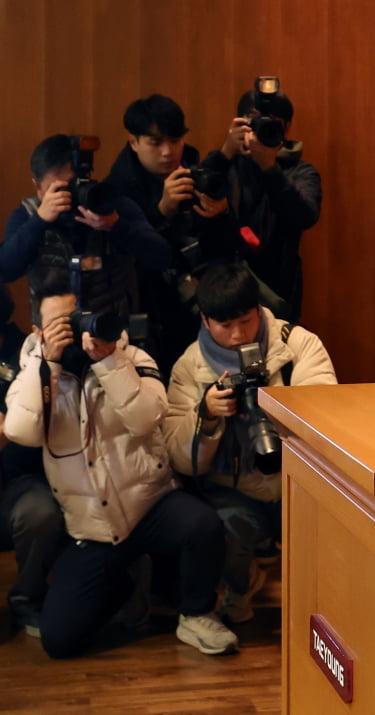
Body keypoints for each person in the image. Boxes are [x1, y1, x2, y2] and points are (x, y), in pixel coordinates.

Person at [3, 265, 237, 657]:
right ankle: (126, 583)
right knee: (59, 642)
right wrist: (48, 365)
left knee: (204, 526)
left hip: (150, 503)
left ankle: (196, 615)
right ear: (37, 331)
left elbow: (148, 418)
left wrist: (109, 363)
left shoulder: (131, 356)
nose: (72, 331)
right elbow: (21, 431)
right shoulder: (34, 373)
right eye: (59, 324)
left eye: (75, 319)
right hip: (93, 526)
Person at [165, 261, 336, 623]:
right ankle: (240, 585)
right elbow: (183, 461)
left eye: (246, 321)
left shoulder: (297, 346)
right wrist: (207, 415)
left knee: (333, 537)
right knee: (220, 529)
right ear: (205, 322)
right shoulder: (189, 367)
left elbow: (328, 423)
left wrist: (273, 404)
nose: (239, 334)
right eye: (225, 326)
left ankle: (319, 610)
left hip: (298, 483)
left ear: (259, 311)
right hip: (235, 489)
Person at [105, 94, 232, 374]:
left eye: (175, 141)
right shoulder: (116, 191)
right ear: (133, 142)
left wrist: (219, 215)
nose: (167, 152)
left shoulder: (197, 174)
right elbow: (128, 260)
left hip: (203, 312)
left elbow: (224, 250)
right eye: (155, 142)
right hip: (149, 320)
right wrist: (161, 211)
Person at [1, 134, 172, 322]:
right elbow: (5, 270)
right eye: (57, 190)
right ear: (37, 187)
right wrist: (39, 221)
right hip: (56, 333)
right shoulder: (27, 215)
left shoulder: (112, 205)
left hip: (113, 331)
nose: (68, 196)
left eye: (73, 185)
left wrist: (115, 225)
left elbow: (162, 257)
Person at [200, 81, 322, 322]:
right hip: (222, 292)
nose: (260, 129)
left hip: (277, 291)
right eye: (253, 121)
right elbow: (196, 200)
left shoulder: (300, 172)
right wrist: (225, 153)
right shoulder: (225, 165)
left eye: (271, 123)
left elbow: (305, 215)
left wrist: (268, 167)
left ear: (286, 129)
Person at [0, 285, 66, 639]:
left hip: (22, 475)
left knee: (39, 512)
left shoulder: (25, 350)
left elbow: (23, 425)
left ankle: (27, 598)